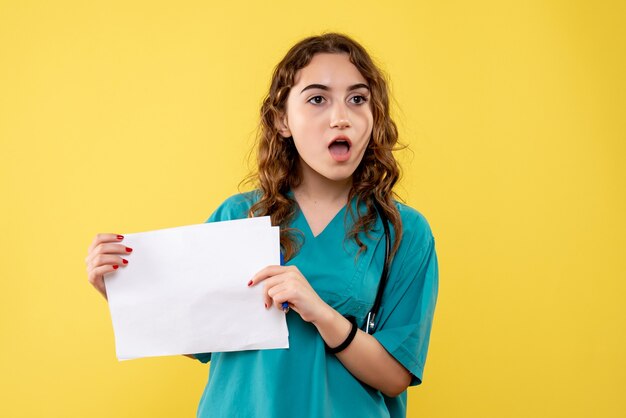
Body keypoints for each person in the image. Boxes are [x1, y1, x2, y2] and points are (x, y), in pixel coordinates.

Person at [85, 32, 438, 418]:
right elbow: (198, 337)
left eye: (357, 99)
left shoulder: (402, 232)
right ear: (282, 120)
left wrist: (320, 312)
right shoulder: (239, 216)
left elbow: (395, 377)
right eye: (318, 99)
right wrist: (122, 290)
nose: (341, 117)